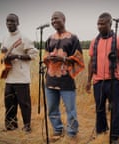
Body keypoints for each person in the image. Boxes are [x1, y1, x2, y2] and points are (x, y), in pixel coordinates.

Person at [85, 12, 119, 144]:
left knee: (115, 109)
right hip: (98, 81)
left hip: (113, 81)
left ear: (110, 24)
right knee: (100, 108)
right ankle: (101, 132)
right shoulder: (94, 41)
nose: (99, 26)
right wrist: (88, 80)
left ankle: (115, 136)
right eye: (98, 24)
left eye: (102, 24)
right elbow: (91, 61)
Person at [43, 11, 84, 140]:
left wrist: (63, 59)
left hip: (66, 80)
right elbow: (45, 56)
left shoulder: (73, 37)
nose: (54, 21)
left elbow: (79, 58)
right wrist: (48, 57)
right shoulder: (50, 38)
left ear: (64, 19)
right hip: (50, 79)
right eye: (52, 19)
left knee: (70, 110)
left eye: (56, 19)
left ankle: (72, 133)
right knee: (52, 108)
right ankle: (58, 130)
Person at [0, 13, 38, 133]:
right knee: (9, 104)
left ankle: (27, 126)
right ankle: (11, 126)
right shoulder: (5, 37)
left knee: (24, 104)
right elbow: (3, 54)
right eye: (7, 21)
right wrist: (4, 53)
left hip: (21, 78)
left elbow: (34, 55)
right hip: (9, 77)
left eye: (12, 21)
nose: (9, 23)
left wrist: (17, 56)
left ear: (18, 23)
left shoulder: (24, 38)